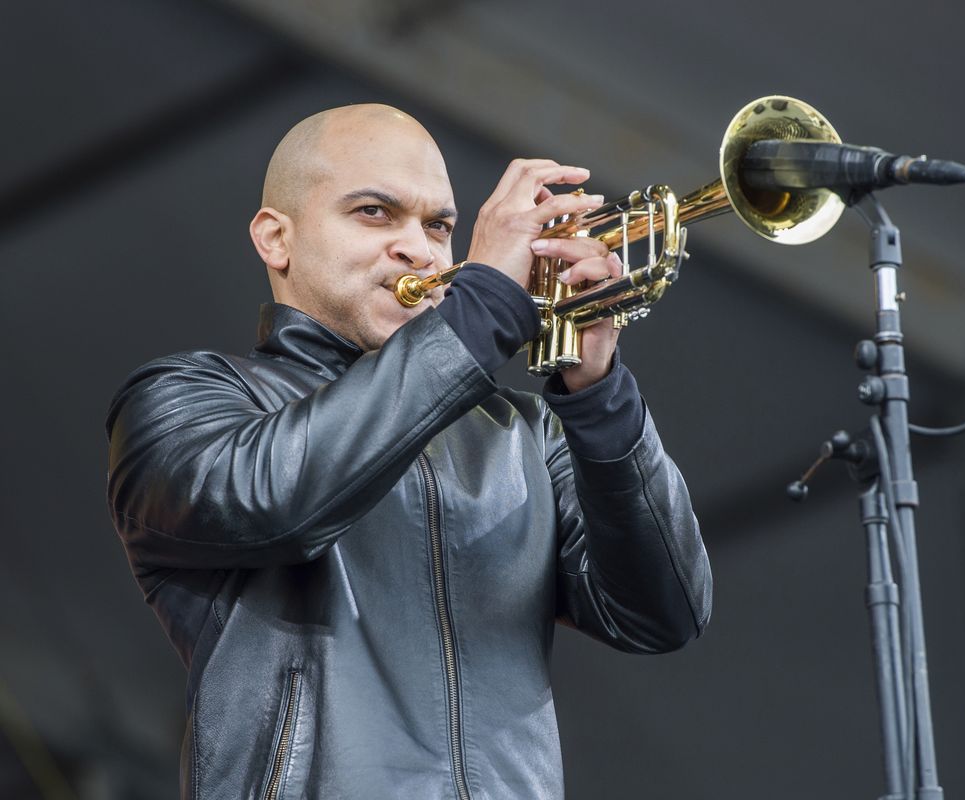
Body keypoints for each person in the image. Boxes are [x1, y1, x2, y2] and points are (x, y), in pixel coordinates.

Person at [105, 103, 711, 799]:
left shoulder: (524, 433)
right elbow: (278, 502)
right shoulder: (185, 398)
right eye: (373, 213)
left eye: (439, 226)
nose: (419, 250)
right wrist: (482, 308)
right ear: (277, 238)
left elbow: (662, 613)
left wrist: (597, 389)